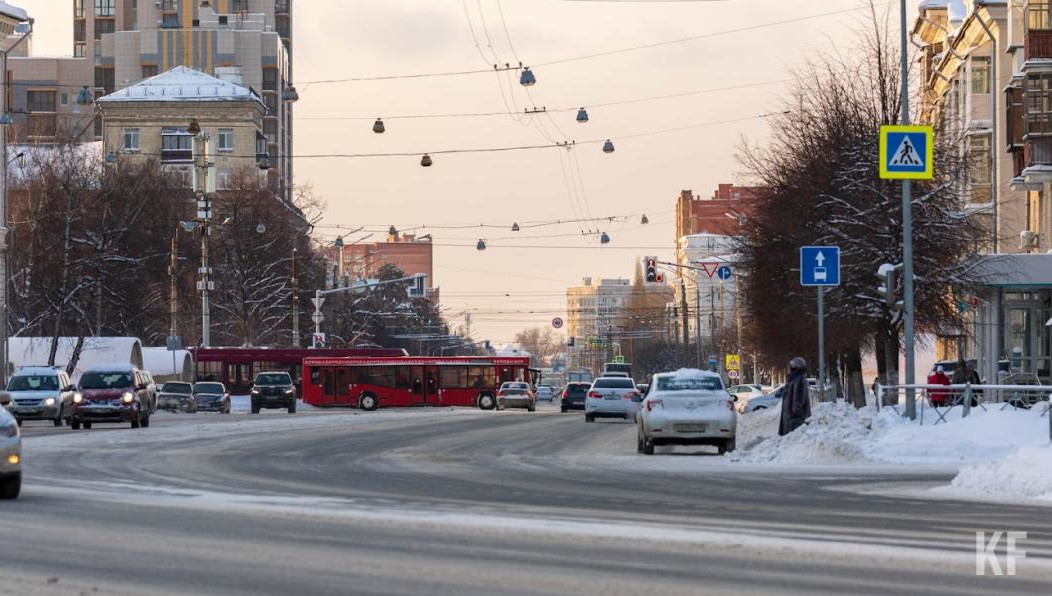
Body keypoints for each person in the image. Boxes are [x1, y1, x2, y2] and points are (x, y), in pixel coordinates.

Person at [779, 357, 812, 436]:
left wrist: (796, 411)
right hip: (790, 413)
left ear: (798, 366)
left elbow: (799, 397)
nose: (791, 366)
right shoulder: (793, 377)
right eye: (791, 364)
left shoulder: (800, 378)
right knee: (789, 439)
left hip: (795, 415)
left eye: (793, 364)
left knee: (793, 437)